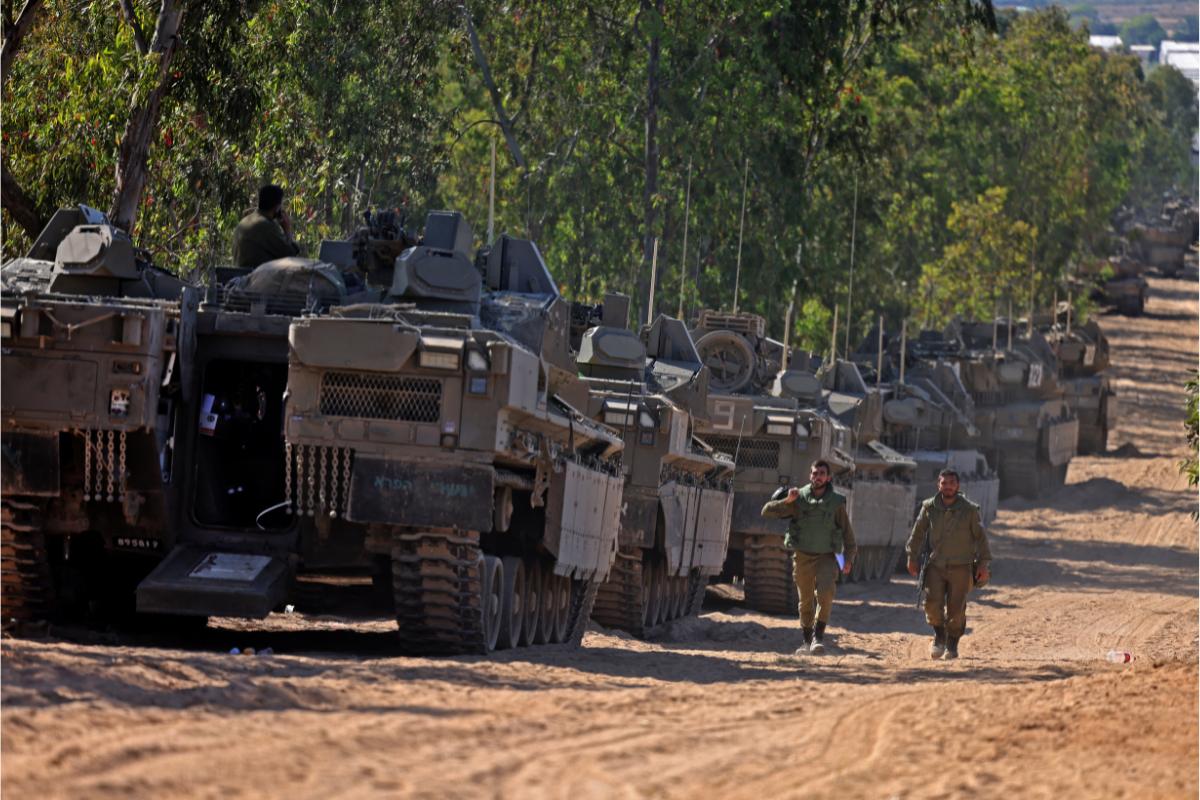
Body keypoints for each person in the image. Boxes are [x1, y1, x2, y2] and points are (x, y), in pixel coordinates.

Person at [761, 460, 856, 654]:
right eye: (814, 473)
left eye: (822, 473)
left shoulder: (836, 502)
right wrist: (786, 501)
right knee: (804, 600)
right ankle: (806, 641)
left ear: (828, 478)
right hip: (802, 556)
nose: (817, 476)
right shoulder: (799, 499)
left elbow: (848, 533)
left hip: (827, 557)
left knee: (825, 594)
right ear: (810, 476)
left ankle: (818, 638)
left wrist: (849, 558)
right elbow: (766, 511)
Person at [906, 468, 992, 661]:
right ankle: (939, 635)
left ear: (958, 486)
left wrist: (984, 563)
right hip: (935, 566)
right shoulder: (929, 507)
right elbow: (917, 533)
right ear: (939, 485)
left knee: (956, 607)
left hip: (962, 566)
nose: (948, 487)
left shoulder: (970, 510)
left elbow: (981, 538)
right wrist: (911, 556)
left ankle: (952, 643)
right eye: (944, 483)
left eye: (952, 483)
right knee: (932, 604)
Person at [231, 184, 301, 268]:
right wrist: (287, 229)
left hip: (242, 277)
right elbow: (291, 255)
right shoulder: (267, 225)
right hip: (257, 279)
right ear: (277, 208)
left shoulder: (245, 221)